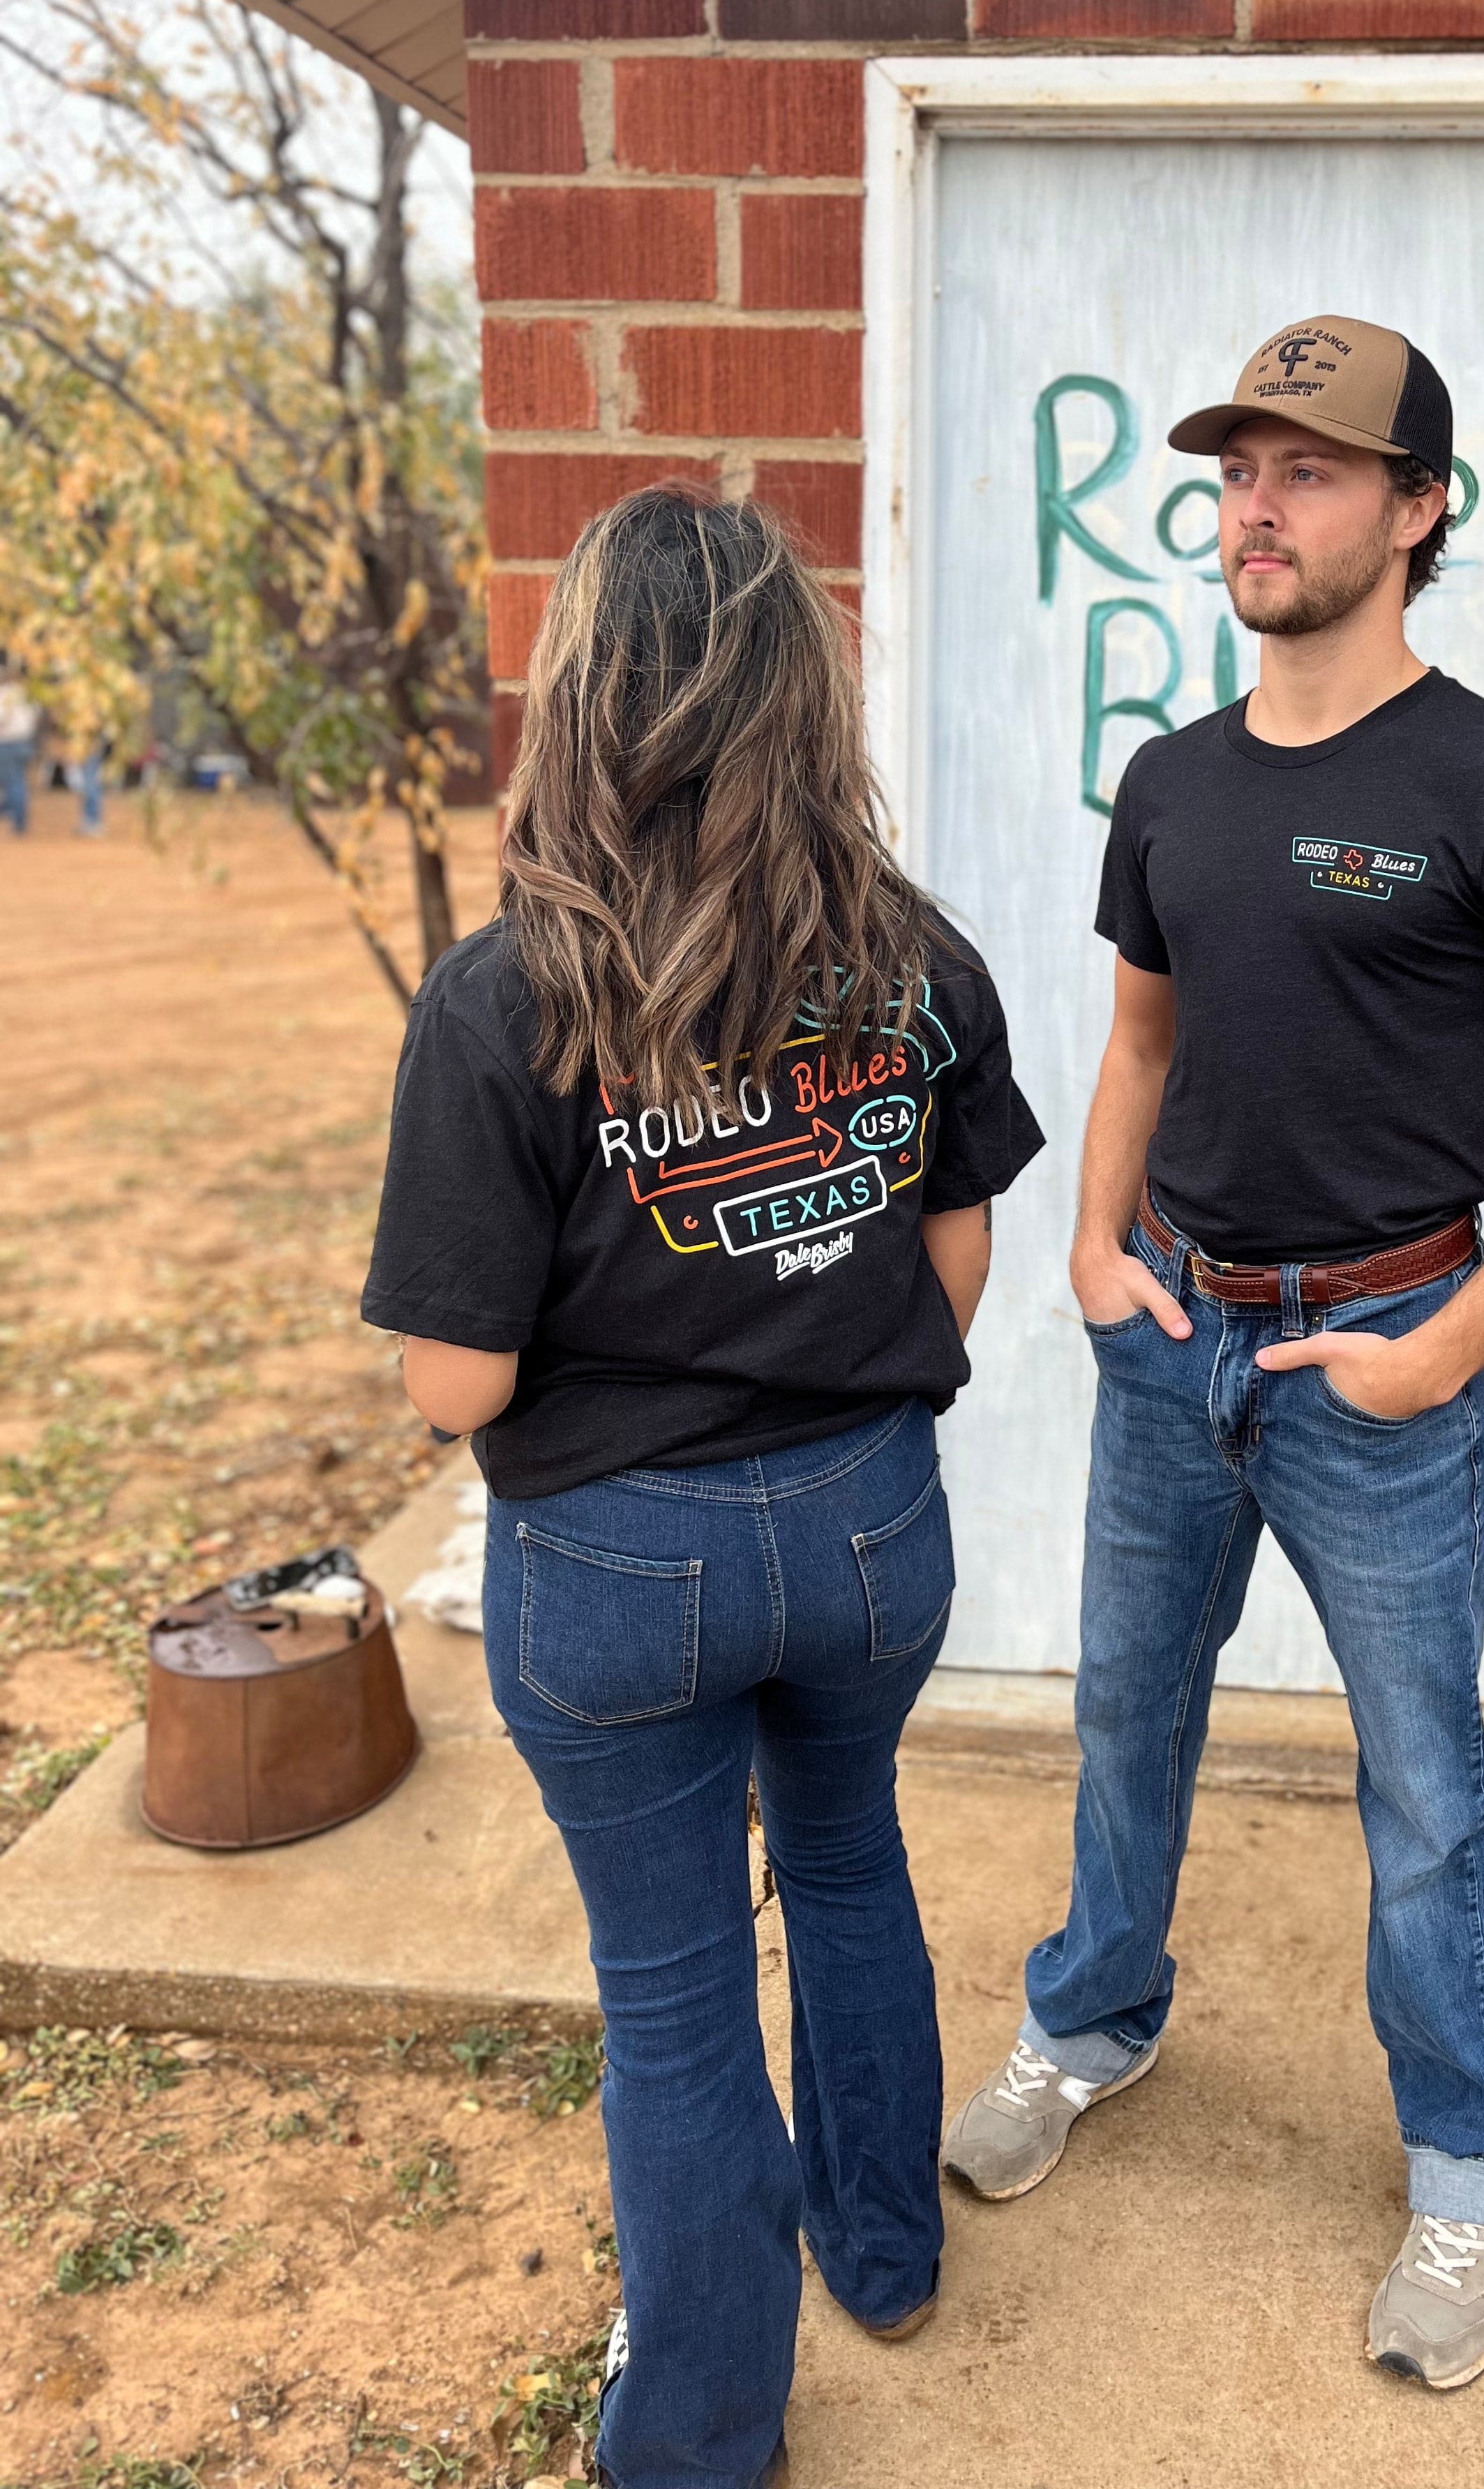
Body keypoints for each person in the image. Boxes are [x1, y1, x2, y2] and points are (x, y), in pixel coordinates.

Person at [942, 316, 1484, 2394]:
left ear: (1420, 509)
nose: (1257, 505)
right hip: (1172, 1335)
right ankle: (1091, 2018)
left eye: (1314, 469)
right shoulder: (1173, 780)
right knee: (1124, 1723)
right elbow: (1146, 1041)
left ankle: (1471, 2165)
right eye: (1240, 470)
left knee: (1430, 1787)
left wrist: (1441, 1352)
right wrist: (1090, 1243)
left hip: (1381, 1361)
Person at [361, 486, 1044, 2489]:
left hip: (612, 1568)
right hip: (864, 1529)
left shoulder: (502, 1005)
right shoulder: (912, 960)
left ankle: (699, 2443)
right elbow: (957, 1254)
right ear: (796, 702)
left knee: (670, 2008)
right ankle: (889, 2253)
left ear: (583, 703)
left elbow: (453, 1381)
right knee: (847, 1867)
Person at [0, 662, 38, 836]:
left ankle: (15, 819)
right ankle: (19, 821)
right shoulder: (27, 695)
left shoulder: (5, 695)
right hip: (25, 742)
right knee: (19, 782)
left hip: (8, 742)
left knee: (11, 782)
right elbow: (35, 717)